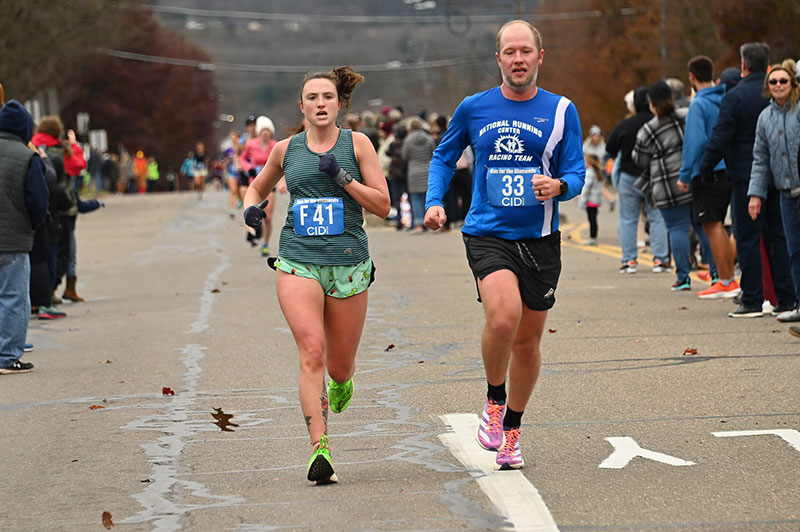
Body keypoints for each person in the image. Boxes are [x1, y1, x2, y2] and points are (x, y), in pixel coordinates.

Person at [425, 20, 585, 470]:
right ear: (498, 59)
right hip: (487, 232)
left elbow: (576, 172)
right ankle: (495, 401)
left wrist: (559, 186)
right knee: (503, 320)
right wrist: (435, 200)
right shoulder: (475, 107)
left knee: (529, 342)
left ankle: (512, 430)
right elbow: (443, 155)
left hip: (540, 240)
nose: (518, 59)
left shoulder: (560, 110)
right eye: (509, 52)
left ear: (539, 57)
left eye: (525, 52)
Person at [242, 66, 390, 484]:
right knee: (312, 351)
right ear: (302, 105)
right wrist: (251, 209)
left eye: (327, 96)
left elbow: (383, 206)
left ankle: (342, 383)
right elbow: (257, 189)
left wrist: (342, 179)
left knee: (339, 367)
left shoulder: (357, 144)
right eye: (312, 97)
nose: (320, 104)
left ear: (339, 103)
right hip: (297, 260)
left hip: (348, 263)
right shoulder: (285, 150)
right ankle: (319, 449)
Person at [700, 42, 794, 318]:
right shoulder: (777, 95)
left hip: (744, 174)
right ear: (767, 66)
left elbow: (721, 135)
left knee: (748, 238)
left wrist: (707, 166)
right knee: (778, 237)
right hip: (778, 176)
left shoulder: (735, 97)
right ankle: (786, 297)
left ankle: (752, 297)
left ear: (743, 65)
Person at [678, 55, 740, 299]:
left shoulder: (699, 105)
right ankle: (728, 278)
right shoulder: (726, 98)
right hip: (729, 167)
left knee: (711, 224)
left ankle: (725, 280)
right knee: (723, 226)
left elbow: (694, 142)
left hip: (707, 170)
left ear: (691, 77)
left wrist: (685, 174)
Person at [747, 61, 800, 322]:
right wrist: (755, 194)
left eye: (783, 81)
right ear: (768, 87)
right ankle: (798, 305)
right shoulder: (764, 118)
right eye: (773, 82)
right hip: (785, 193)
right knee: (793, 250)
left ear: (792, 84)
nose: (778, 85)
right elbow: (760, 158)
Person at [0, 101, 49, 374]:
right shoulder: (27, 157)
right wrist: (32, 225)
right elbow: (39, 200)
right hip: (13, 239)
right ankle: (7, 356)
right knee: (14, 297)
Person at [632, 81, 694, 291]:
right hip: (693, 179)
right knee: (703, 228)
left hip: (667, 186)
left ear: (651, 104)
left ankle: (683, 277)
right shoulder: (687, 116)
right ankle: (716, 274)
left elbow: (639, 159)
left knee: (677, 229)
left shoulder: (648, 130)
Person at [605, 86, 671, 274]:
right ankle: (660, 259)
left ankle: (629, 261)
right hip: (654, 176)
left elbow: (610, 146)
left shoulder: (626, 124)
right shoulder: (660, 122)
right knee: (657, 217)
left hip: (629, 176)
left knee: (628, 218)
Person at [240, 116, 278, 255]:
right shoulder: (251, 144)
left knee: (268, 217)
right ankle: (256, 228)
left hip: (270, 183)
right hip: (255, 183)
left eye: (268, 131)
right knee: (255, 211)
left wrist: (282, 181)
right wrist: (248, 167)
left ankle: (266, 244)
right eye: (263, 131)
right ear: (259, 132)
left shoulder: (275, 145)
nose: (265, 133)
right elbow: (243, 158)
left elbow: (282, 163)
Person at [402, 116, 436, 234]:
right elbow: (434, 152)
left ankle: (419, 225)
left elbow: (405, 156)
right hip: (428, 170)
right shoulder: (428, 138)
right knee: (429, 198)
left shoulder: (408, 140)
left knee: (416, 199)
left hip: (414, 172)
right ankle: (432, 224)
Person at [580, 154, 604, 245]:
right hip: (596, 200)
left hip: (590, 200)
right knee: (594, 219)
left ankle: (592, 238)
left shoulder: (589, 173)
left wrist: (582, 201)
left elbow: (586, 188)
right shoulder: (596, 172)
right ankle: (593, 236)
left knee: (591, 220)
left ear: (589, 163)